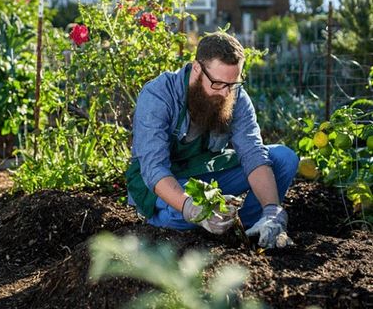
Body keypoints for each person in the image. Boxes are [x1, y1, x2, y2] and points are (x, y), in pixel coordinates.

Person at [125, 31, 299, 248]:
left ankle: (251, 227)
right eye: (217, 84)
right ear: (197, 68)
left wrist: (272, 210)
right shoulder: (159, 95)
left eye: (232, 84)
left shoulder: (235, 96)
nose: (226, 93)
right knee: (184, 215)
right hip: (163, 181)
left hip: (205, 173)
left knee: (284, 158)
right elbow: (154, 168)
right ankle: (158, 223)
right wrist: (191, 208)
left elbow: (253, 153)